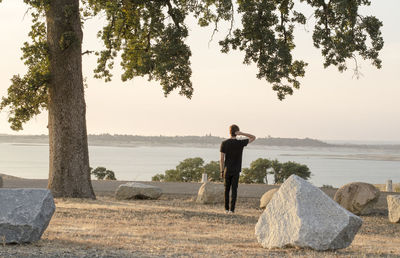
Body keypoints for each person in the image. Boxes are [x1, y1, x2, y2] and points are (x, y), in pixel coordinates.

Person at [220, 125, 256, 214]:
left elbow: (221, 159)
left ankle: (226, 209)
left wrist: (221, 171)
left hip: (227, 170)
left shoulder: (224, 143)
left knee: (226, 190)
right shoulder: (240, 143)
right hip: (236, 170)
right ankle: (232, 210)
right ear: (237, 132)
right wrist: (242, 133)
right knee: (234, 190)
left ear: (229, 132)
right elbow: (253, 137)